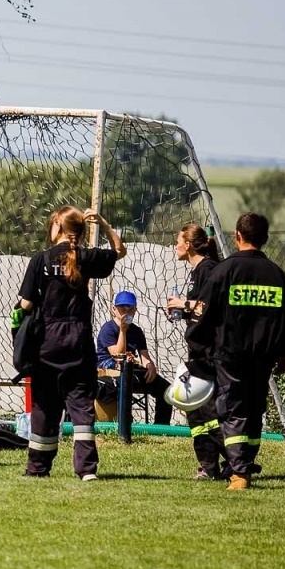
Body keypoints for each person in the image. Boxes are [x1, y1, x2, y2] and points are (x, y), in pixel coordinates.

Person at [187, 211, 285, 490]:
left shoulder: (224, 272)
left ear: (237, 236)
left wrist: (197, 345)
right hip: (263, 357)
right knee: (253, 409)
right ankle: (245, 463)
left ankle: (239, 473)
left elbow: (205, 315)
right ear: (264, 238)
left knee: (233, 410)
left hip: (230, 355)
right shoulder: (277, 275)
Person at [16, 206, 125, 480]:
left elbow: (26, 304)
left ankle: (38, 468)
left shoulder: (40, 260)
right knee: (80, 403)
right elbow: (119, 251)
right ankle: (86, 470)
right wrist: (102, 221)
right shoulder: (86, 257)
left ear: (56, 225)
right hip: (78, 339)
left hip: (47, 342)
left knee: (44, 404)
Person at [165, 223, 226, 479]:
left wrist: (184, 304)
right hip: (197, 351)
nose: (174, 245)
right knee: (195, 410)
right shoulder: (196, 271)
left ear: (188, 244)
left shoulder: (209, 269)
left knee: (208, 409)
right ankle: (208, 466)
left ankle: (237, 461)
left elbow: (210, 307)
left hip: (209, 353)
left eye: (177, 240)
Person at [94, 290, 172, 426]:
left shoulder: (136, 331)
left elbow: (144, 356)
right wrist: (123, 331)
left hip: (130, 370)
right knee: (123, 381)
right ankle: (124, 424)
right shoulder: (108, 329)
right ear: (114, 309)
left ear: (135, 310)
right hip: (109, 371)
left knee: (165, 389)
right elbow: (118, 355)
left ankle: (161, 427)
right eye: (122, 308)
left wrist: (150, 366)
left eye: (130, 308)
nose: (126, 311)